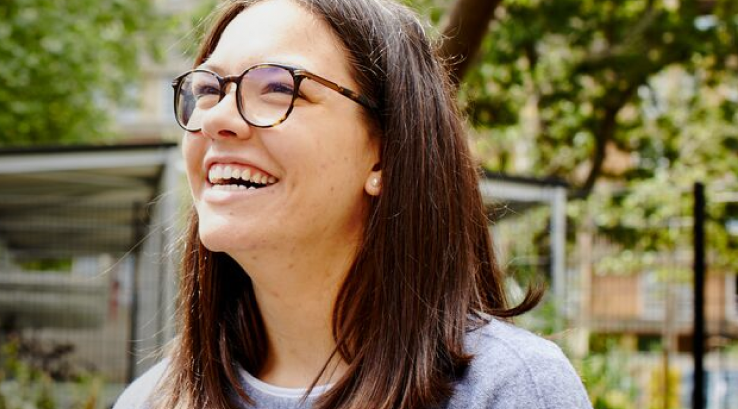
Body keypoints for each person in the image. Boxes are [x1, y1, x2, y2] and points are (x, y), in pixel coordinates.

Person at [113, 0, 591, 408]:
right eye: (207, 90)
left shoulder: (507, 389)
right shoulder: (154, 398)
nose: (216, 118)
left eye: (278, 88)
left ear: (385, 150)